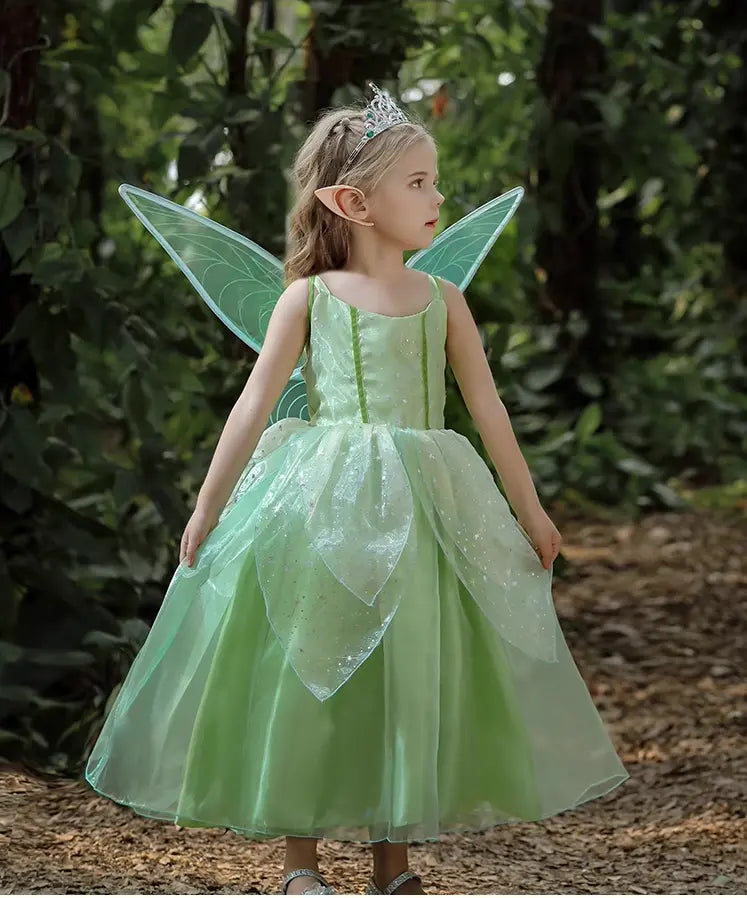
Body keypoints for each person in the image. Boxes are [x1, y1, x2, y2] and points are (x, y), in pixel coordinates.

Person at [85, 84, 630, 896]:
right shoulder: (307, 299)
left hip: (426, 507)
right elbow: (253, 404)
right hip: (320, 502)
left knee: (404, 668)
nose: (438, 195)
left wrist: (531, 511)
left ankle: (393, 866)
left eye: (432, 180)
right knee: (306, 662)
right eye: (417, 182)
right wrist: (208, 504)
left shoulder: (443, 301)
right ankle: (300, 868)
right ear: (352, 202)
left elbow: (487, 411)